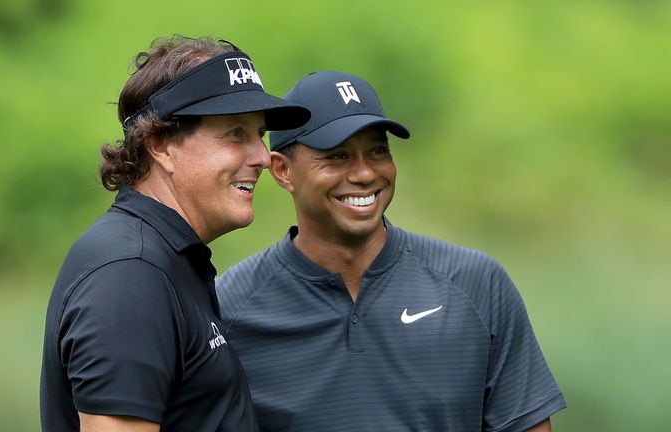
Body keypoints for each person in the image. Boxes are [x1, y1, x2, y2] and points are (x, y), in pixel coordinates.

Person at [216, 70, 566, 431]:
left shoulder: (476, 285)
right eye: (337, 156)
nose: (365, 174)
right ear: (283, 170)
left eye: (378, 151)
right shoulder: (228, 309)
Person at [39, 36, 310, 432]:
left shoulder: (164, 259)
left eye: (260, 134)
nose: (263, 157)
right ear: (160, 145)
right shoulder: (130, 275)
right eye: (236, 133)